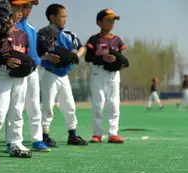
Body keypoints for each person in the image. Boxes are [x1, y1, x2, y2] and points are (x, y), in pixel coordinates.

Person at [0, 0, 34, 158]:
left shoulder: (23, 35)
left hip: (19, 77)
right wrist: (5, 60)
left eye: (22, 9)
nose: (20, 12)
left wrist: (28, 66)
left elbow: (25, 55)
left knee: (17, 111)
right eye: (16, 9)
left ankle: (15, 144)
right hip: (2, 73)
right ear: (8, 11)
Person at [40, 4, 88, 148]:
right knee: (48, 105)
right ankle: (45, 136)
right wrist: (47, 57)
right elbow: (37, 52)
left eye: (66, 16)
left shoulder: (69, 34)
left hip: (63, 75)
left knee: (69, 105)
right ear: (52, 17)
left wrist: (76, 55)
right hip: (49, 73)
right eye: (62, 16)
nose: (65, 19)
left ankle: (72, 135)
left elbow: (81, 47)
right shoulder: (44, 33)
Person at [85, 9, 127, 143]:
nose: (111, 23)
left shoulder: (117, 40)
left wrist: (120, 63)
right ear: (99, 22)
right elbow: (88, 57)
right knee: (99, 104)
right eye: (108, 20)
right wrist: (103, 58)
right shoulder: (94, 39)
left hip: (114, 75)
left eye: (113, 20)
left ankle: (113, 133)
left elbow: (121, 58)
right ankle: (97, 133)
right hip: (99, 73)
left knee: (114, 103)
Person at [15, 0, 50, 152]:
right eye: (26, 5)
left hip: (33, 71)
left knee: (34, 105)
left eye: (30, 6)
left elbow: (35, 53)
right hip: (17, 71)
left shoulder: (31, 29)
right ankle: (14, 140)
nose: (29, 9)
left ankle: (37, 139)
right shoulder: (11, 28)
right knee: (16, 107)